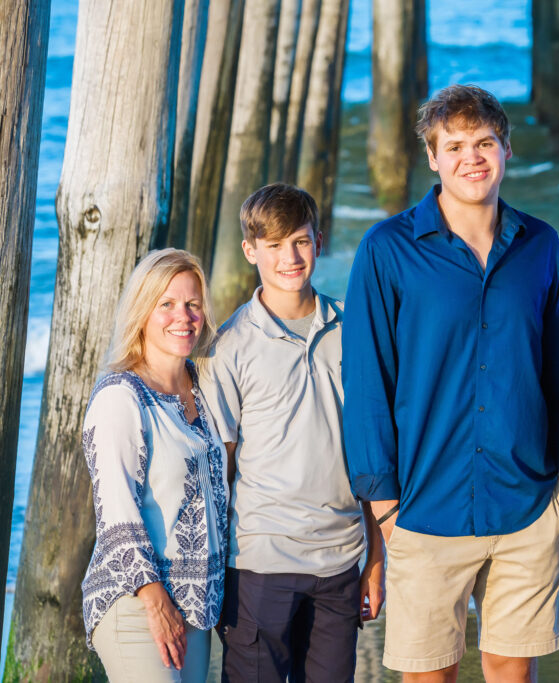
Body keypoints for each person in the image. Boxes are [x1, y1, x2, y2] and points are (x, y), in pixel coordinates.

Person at [342, 84, 559, 682]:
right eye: (454, 146)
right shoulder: (387, 250)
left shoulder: (540, 245)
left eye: (484, 143)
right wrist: (384, 506)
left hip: (526, 502)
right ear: (432, 157)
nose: (471, 158)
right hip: (423, 507)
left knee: (510, 670)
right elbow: (367, 383)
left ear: (506, 149)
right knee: (430, 674)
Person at [199, 184, 384, 682]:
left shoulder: (353, 329)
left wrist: (376, 559)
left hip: (340, 560)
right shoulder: (228, 347)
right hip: (259, 564)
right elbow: (220, 472)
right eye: (275, 245)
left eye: (300, 241)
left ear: (318, 242)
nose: (290, 257)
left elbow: (373, 452)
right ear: (250, 250)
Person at [82, 248, 228, 683]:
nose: (183, 316)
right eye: (167, 304)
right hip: (137, 603)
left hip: (198, 608)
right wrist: (154, 598)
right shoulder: (121, 397)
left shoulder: (205, 389)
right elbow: (116, 512)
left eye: (193, 304)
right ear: (142, 312)